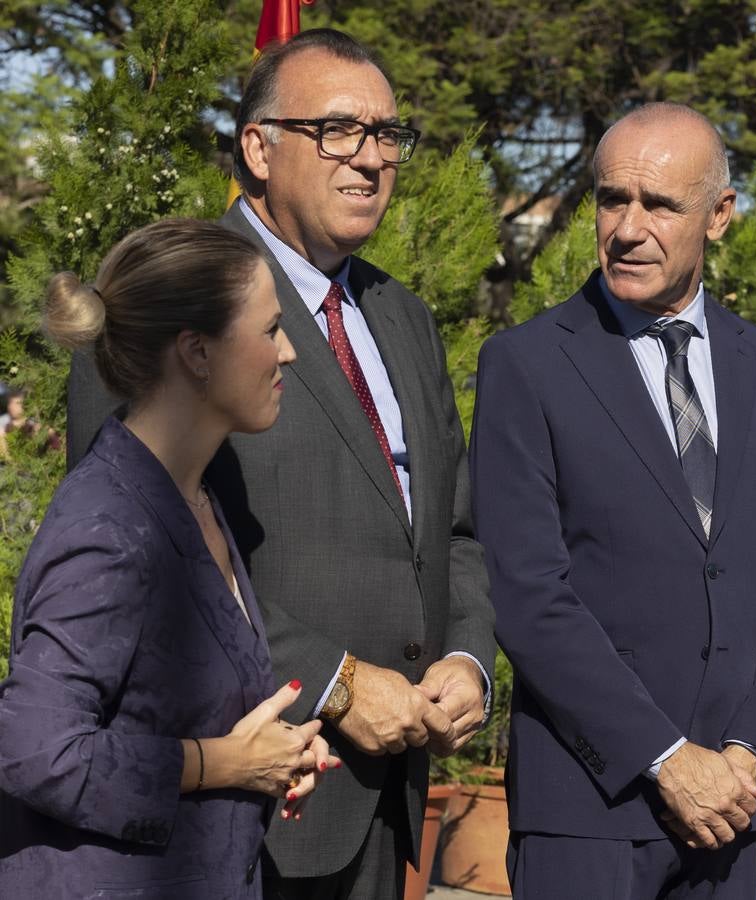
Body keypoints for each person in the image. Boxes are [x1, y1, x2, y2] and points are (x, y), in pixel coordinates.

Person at [66, 29, 496, 900]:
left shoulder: (404, 317)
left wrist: (465, 659)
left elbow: (454, 528)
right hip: (235, 799)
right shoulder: (166, 306)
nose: (371, 158)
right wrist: (332, 685)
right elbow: (136, 557)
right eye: (337, 130)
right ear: (258, 148)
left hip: (388, 802)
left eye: (387, 135)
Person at [470, 103, 756, 899]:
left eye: (661, 205)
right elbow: (530, 595)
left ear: (721, 217)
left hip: (735, 810)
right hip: (590, 809)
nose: (628, 227)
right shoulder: (525, 367)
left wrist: (750, 757)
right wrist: (667, 758)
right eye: (611, 199)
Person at [0, 219, 339, 899]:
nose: (291, 354)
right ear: (198, 352)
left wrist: (274, 756)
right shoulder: (109, 526)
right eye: (270, 329)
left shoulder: (197, 499)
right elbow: (35, 753)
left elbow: (178, 711)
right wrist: (223, 763)